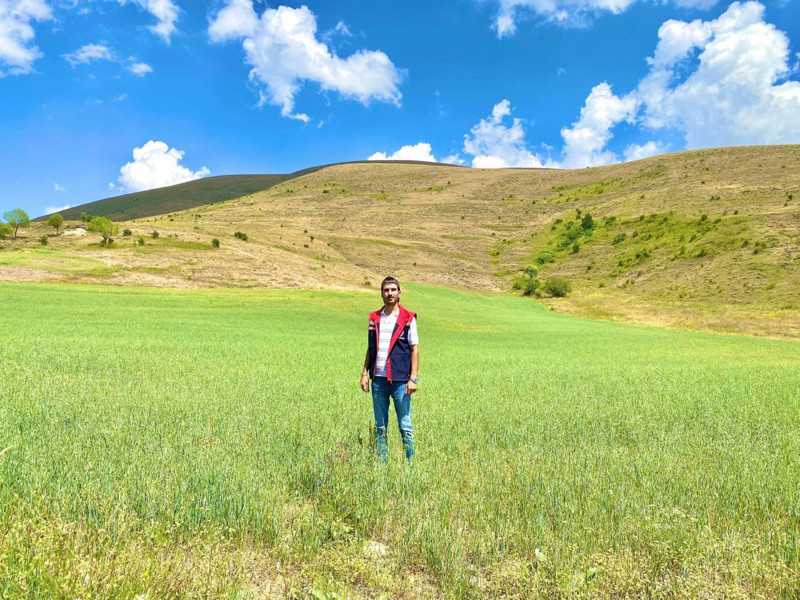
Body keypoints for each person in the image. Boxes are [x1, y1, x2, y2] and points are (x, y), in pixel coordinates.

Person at [360, 276, 419, 460]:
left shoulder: (408, 318)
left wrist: (413, 378)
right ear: (381, 294)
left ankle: (409, 467)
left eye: (393, 289)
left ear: (399, 293)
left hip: (401, 380)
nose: (390, 293)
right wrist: (364, 373)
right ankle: (381, 466)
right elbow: (370, 348)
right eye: (386, 290)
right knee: (380, 426)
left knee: (405, 425)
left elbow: (414, 348)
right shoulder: (374, 318)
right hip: (378, 379)